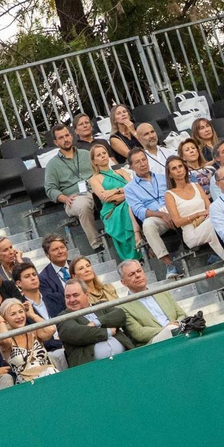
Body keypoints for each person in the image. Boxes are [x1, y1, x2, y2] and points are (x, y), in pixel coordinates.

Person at [43, 120, 104, 252]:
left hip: (95, 189)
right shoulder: (52, 165)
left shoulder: (86, 154)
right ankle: (97, 244)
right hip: (74, 197)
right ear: (55, 142)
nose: (65, 139)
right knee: (82, 205)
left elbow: (101, 172)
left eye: (67, 135)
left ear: (71, 136)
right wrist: (65, 199)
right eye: (61, 138)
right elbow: (50, 189)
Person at [163, 156, 224, 262]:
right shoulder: (169, 194)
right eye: (174, 168)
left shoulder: (196, 186)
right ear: (169, 174)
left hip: (207, 222)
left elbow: (210, 208)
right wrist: (197, 215)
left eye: (180, 166)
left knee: (215, 228)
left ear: (185, 168)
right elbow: (177, 222)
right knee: (215, 222)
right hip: (191, 232)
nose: (179, 170)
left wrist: (204, 215)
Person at [56, 280, 133, 365]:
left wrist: (97, 322)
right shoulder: (63, 317)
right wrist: (108, 332)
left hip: (127, 357)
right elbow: (77, 333)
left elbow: (120, 315)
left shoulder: (101, 305)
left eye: (75, 295)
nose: (72, 300)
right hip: (93, 368)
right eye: (67, 297)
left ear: (86, 295)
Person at [85, 140, 138, 261]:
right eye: (99, 155)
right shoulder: (94, 179)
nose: (103, 155)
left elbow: (135, 189)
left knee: (131, 204)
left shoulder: (121, 171)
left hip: (128, 201)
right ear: (94, 161)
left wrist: (115, 191)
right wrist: (125, 192)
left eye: (104, 153)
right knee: (128, 207)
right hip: (112, 210)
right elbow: (106, 198)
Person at [124, 151, 175, 275]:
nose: (142, 164)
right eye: (137, 162)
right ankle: (169, 264)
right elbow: (139, 211)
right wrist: (162, 214)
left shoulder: (163, 177)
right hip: (158, 218)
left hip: (174, 211)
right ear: (131, 167)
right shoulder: (129, 188)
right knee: (148, 224)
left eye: (144, 160)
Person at [120, 260, 186, 345]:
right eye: (131, 274)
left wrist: (177, 324)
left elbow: (182, 314)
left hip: (179, 329)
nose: (137, 275)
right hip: (155, 343)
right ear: (123, 282)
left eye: (139, 271)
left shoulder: (162, 292)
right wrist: (167, 329)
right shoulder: (123, 307)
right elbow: (138, 333)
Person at [0, 299, 58, 380]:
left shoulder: (34, 332)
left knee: (50, 371)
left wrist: (32, 315)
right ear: (5, 319)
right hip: (25, 382)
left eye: (21, 311)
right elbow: (6, 341)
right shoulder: (6, 340)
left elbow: (51, 329)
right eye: (13, 314)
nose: (19, 316)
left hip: (48, 375)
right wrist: (1, 322)